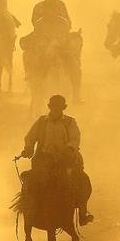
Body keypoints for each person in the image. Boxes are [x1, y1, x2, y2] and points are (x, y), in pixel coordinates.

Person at [21, 95, 94, 224]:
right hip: (44, 158)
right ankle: (30, 208)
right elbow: (30, 137)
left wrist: (68, 149)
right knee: (32, 182)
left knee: (81, 180)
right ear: (49, 107)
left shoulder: (70, 122)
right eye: (53, 106)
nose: (55, 109)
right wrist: (28, 148)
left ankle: (82, 211)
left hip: (64, 159)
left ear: (63, 108)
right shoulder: (41, 122)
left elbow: (75, 139)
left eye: (58, 107)